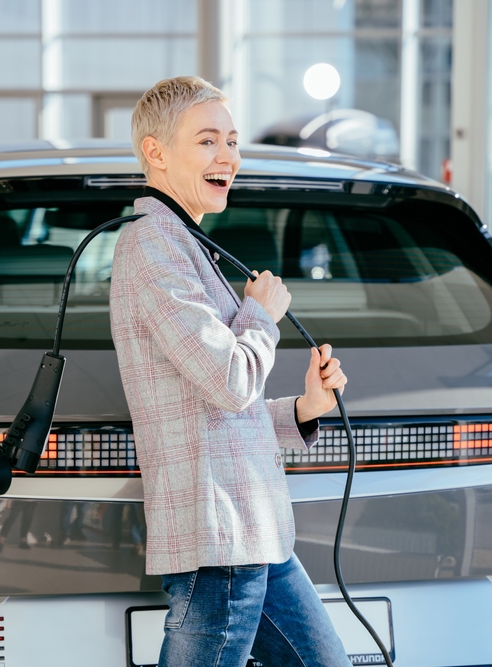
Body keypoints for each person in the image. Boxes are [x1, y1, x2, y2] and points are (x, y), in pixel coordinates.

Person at [109, 76, 351, 667]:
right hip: (218, 539)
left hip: (254, 534)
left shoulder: (186, 244)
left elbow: (216, 406)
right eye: (208, 141)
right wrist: (260, 314)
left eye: (233, 141)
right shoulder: (152, 247)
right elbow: (229, 379)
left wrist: (303, 409)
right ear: (157, 153)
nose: (228, 157)